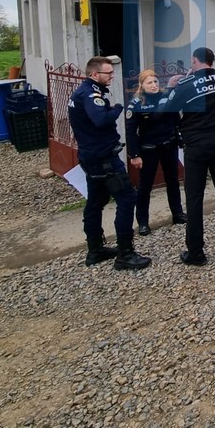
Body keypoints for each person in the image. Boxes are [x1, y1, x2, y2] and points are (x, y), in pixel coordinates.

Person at [67, 56, 152, 271]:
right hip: (103, 158)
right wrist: (116, 109)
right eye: (108, 73)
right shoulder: (91, 94)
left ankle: (95, 249)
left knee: (96, 201)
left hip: (90, 156)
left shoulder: (81, 92)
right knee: (127, 199)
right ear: (95, 74)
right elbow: (100, 119)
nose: (112, 76)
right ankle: (125, 254)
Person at [164, 47, 215, 266]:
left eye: (192, 62)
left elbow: (168, 108)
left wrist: (171, 86)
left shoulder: (185, 85)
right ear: (212, 61)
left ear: (194, 60)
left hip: (197, 146)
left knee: (194, 198)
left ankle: (196, 252)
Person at [125, 68, 185, 235]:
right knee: (145, 186)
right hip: (148, 149)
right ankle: (143, 222)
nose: (154, 85)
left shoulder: (166, 97)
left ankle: (178, 214)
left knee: (173, 181)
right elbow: (130, 131)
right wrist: (134, 155)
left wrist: (180, 137)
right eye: (149, 82)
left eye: (156, 81)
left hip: (168, 145)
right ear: (142, 85)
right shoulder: (137, 103)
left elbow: (176, 120)